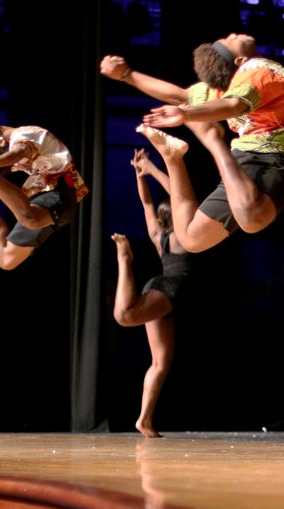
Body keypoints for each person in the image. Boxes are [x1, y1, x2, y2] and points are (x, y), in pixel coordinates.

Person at [102, 32, 284, 253]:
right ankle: (211, 139)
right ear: (239, 61)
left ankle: (173, 158)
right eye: (230, 40)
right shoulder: (255, 69)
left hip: (246, 163)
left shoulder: (241, 80)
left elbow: (184, 97)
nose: (233, 34)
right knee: (240, 223)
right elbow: (227, 104)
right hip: (264, 158)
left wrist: (127, 75)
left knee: (190, 239)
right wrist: (127, 76)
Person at [112, 149, 193, 438]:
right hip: (168, 289)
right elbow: (178, 194)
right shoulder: (184, 234)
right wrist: (153, 170)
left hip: (168, 295)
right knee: (126, 315)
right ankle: (125, 261)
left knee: (161, 362)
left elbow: (146, 203)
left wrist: (141, 175)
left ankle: (144, 420)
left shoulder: (158, 235)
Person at [0, 121, 88, 269]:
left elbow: (19, 151)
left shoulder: (23, 135)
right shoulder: (10, 147)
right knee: (6, 259)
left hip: (58, 191)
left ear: (0, 141)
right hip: (48, 196)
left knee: (16, 242)